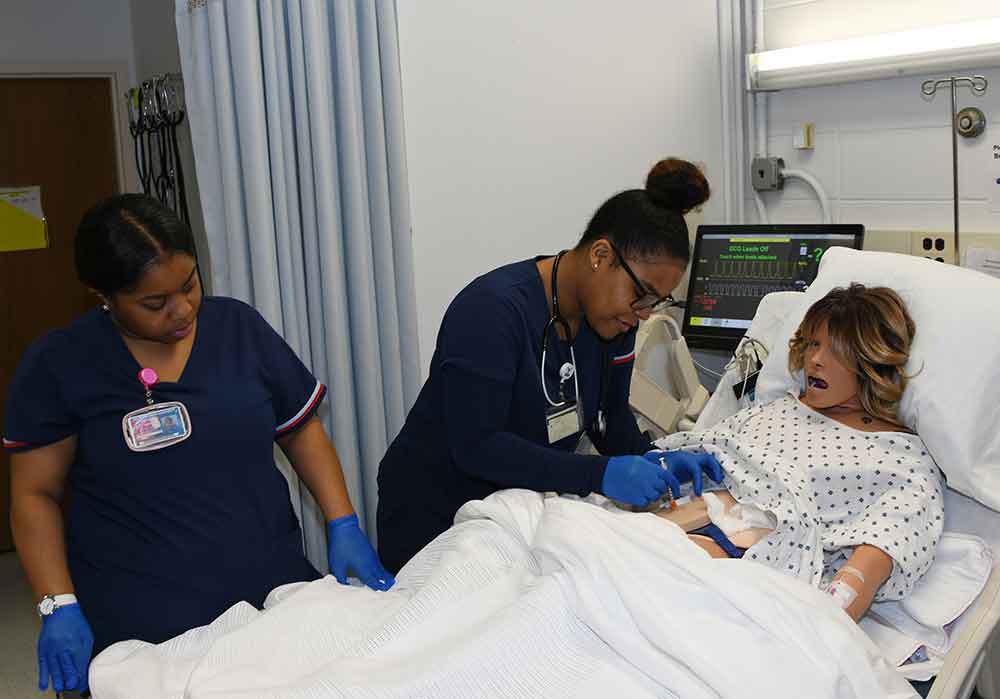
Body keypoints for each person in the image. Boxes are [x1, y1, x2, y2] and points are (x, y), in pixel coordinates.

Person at [3, 194, 395, 694]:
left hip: (270, 595)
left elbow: (300, 429)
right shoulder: (61, 365)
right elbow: (34, 495)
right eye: (154, 303)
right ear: (102, 295)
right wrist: (57, 605)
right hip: (140, 625)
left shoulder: (238, 328)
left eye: (189, 285)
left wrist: (343, 522)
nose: (183, 309)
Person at [376, 158, 724, 573]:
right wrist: (600, 474)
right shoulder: (491, 312)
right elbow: (477, 446)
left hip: (514, 514)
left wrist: (656, 459)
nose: (644, 314)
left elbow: (610, 421)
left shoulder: (615, 320)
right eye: (642, 294)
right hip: (436, 517)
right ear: (601, 255)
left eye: (656, 302)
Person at [649, 284, 944, 622]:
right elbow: (692, 452)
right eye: (814, 344)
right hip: (662, 518)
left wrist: (827, 620)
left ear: (870, 361)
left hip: (732, 555)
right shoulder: (774, 410)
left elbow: (876, 554)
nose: (815, 360)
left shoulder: (902, 459)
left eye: (836, 351)